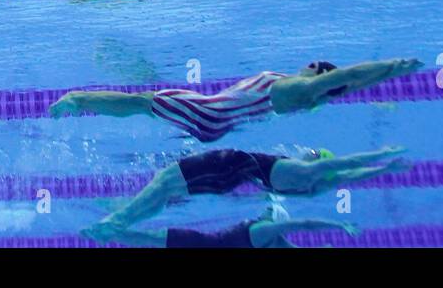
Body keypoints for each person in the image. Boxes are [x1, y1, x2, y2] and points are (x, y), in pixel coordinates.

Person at [48, 57, 423, 142]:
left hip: (212, 111)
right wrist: (385, 80)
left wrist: (393, 66)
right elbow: (348, 85)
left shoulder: (298, 89)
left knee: (144, 101)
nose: (308, 64)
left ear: (318, 76)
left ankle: (78, 99)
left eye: (315, 66)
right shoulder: (306, 95)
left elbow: (349, 77)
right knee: (148, 107)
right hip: (219, 124)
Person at [84, 146, 408, 242]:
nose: (306, 153)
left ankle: (117, 219)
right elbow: (348, 173)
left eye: (312, 152)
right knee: (164, 192)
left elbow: (348, 160)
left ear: (318, 161)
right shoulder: (310, 187)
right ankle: (116, 225)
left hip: (227, 164)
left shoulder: (304, 171)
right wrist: (384, 170)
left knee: (162, 181)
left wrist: (380, 155)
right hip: (229, 179)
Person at [97, 200, 358, 248]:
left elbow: (305, 224)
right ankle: (108, 235)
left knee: (151, 239)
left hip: (197, 242)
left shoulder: (264, 230)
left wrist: (337, 226)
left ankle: (109, 231)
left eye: (268, 210)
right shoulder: (273, 243)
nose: (263, 212)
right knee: (150, 241)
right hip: (201, 245)